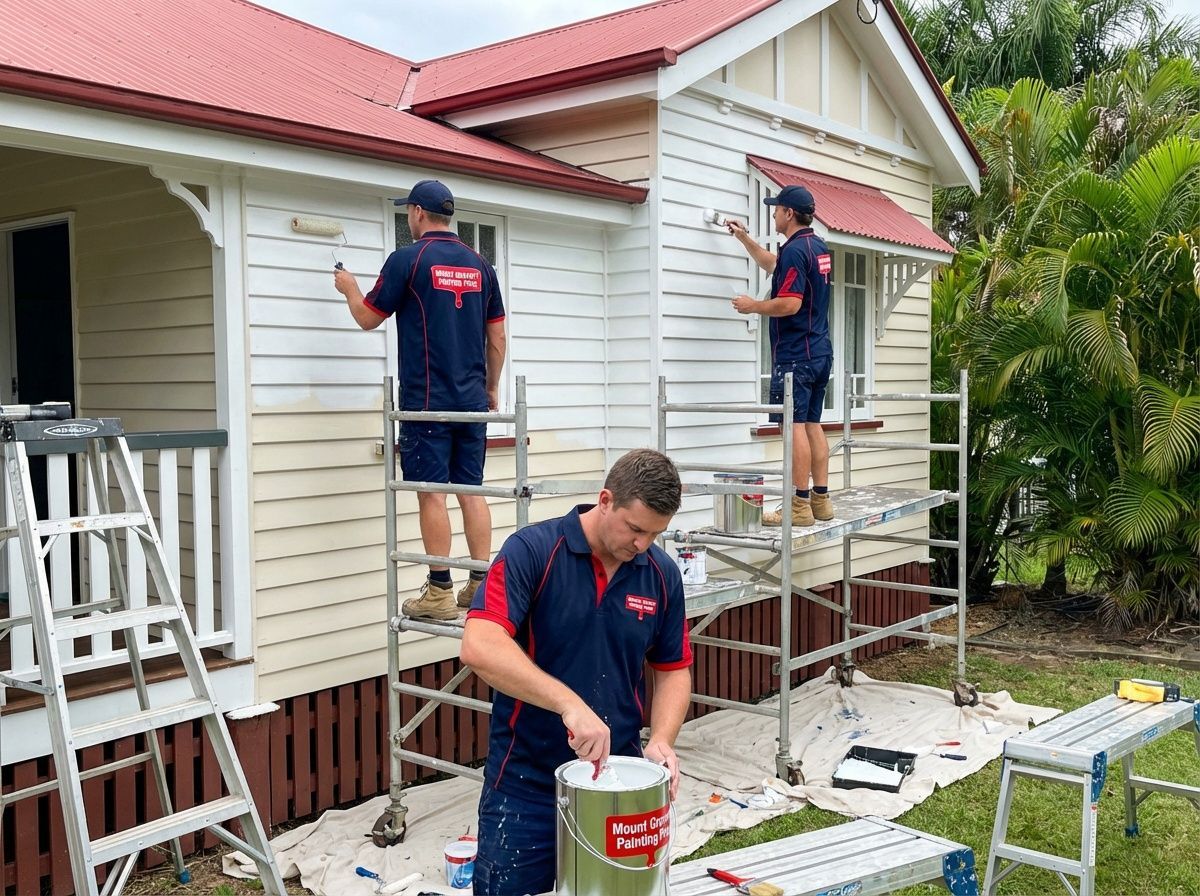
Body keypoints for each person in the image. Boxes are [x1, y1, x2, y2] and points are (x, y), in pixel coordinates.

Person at [459, 448, 693, 896]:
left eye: (655, 535)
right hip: (524, 785)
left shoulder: (661, 574)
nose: (642, 545)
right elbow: (479, 645)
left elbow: (673, 670)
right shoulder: (534, 550)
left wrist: (662, 738)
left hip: (614, 783)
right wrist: (570, 705)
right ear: (605, 500)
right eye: (635, 529)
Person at [335, 179, 507, 619]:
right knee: (470, 488)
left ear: (416, 212)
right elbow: (498, 336)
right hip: (470, 402)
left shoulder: (408, 260)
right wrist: (490, 387)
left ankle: (440, 592)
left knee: (431, 493)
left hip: (427, 401)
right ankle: (478, 582)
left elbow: (368, 318)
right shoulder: (480, 265)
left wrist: (350, 288)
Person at [727, 184, 835, 527]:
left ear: (789, 213)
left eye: (776, 209)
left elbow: (790, 302)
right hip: (819, 352)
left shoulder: (795, 250)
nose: (773, 213)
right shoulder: (816, 247)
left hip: (797, 356)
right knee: (813, 423)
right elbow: (777, 265)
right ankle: (820, 500)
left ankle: (798, 507)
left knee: (795, 426)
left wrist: (753, 306)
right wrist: (745, 239)